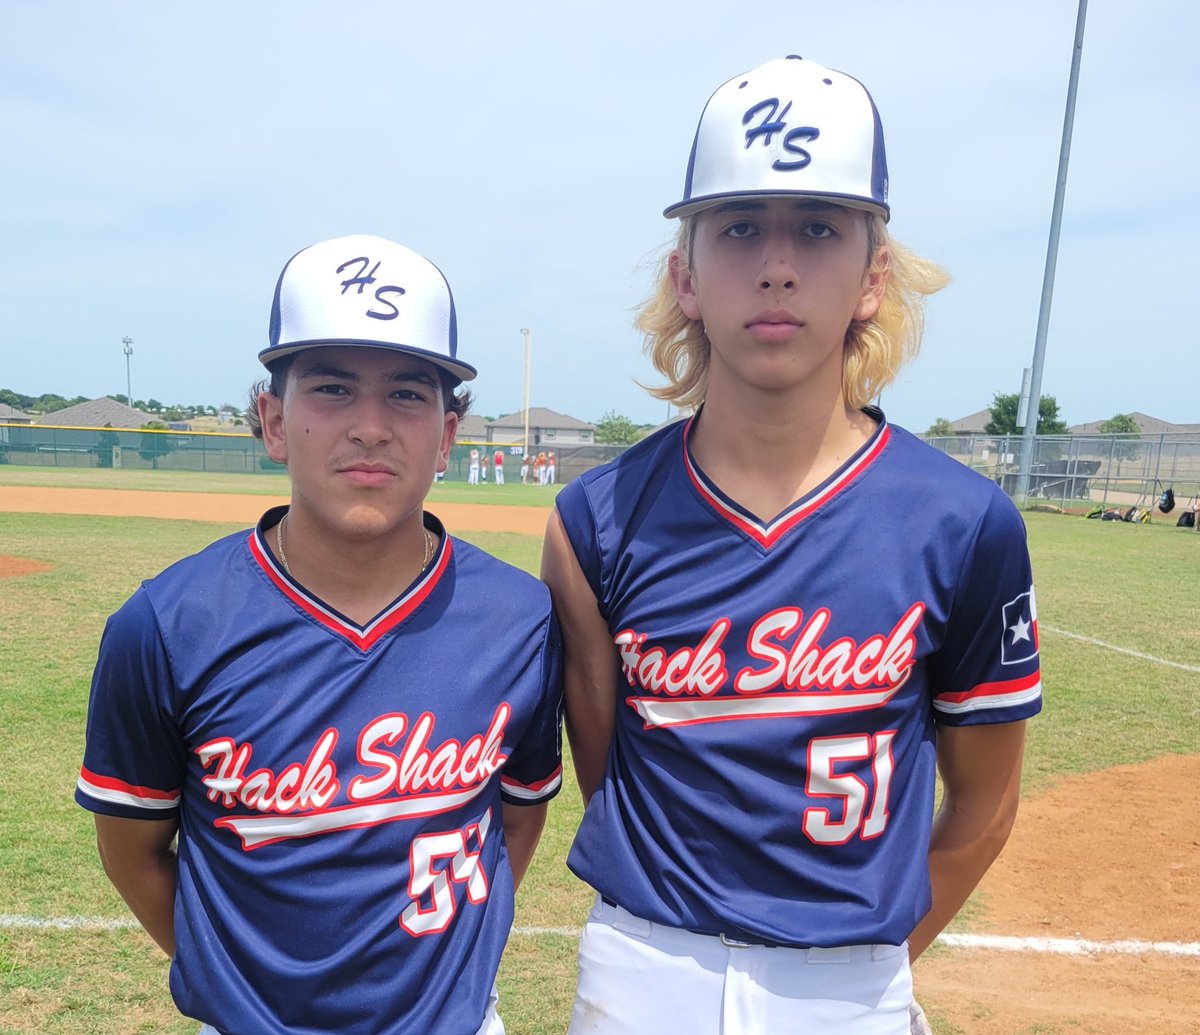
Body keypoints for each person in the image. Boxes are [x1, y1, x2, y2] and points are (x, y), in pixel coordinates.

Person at [541, 57, 1041, 1035]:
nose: (777, 264)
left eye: (818, 228)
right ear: (684, 275)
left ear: (872, 275)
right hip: (645, 967)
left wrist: (862, 976)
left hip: (855, 982)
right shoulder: (594, 523)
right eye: (738, 229)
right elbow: (615, 778)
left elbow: (984, 807)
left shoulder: (964, 523)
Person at [76, 234, 564, 1035]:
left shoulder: (519, 618)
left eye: (408, 395)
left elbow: (516, 818)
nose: (370, 427)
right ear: (272, 419)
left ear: (447, 434)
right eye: (332, 388)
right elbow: (133, 851)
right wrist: (241, 986)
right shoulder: (168, 624)